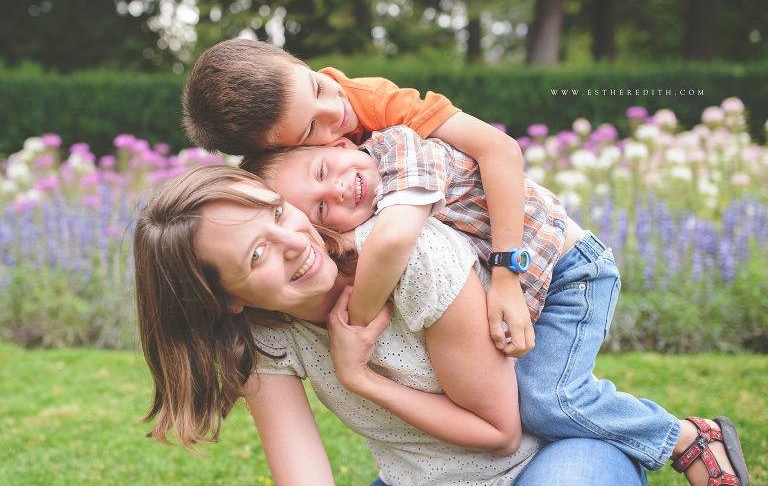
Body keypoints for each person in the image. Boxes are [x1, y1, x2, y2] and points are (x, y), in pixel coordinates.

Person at [244, 125, 751, 486]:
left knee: (550, 400)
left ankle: (684, 437)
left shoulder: (399, 173)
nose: (334, 190)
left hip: (563, 269)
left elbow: (494, 152)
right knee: (538, 395)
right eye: (317, 208)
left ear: (338, 142)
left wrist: (356, 344)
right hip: (520, 293)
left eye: (280, 214)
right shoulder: (338, 247)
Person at [133, 165, 648, 486]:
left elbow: (502, 434)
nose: (295, 241)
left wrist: (360, 378)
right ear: (225, 301)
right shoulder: (265, 338)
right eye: (258, 252)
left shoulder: (412, 258)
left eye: (275, 212)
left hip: (554, 460)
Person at [182, 38, 535, 358]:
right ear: (287, 148)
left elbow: (500, 150)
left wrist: (506, 275)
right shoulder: (314, 178)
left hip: (527, 245)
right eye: (310, 128)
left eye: (318, 87)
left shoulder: (378, 105)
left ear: (301, 64)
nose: (336, 110)